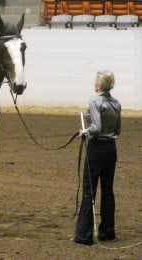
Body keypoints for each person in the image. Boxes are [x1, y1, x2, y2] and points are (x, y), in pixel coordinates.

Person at [73, 70, 121, 245]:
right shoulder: (116, 103)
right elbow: (118, 129)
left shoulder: (95, 100)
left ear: (99, 85)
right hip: (111, 149)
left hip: (97, 149)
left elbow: (97, 126)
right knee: (107, 190)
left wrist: (86, 131)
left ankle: (84, 236)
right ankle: (107, 231)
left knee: (89, 191)